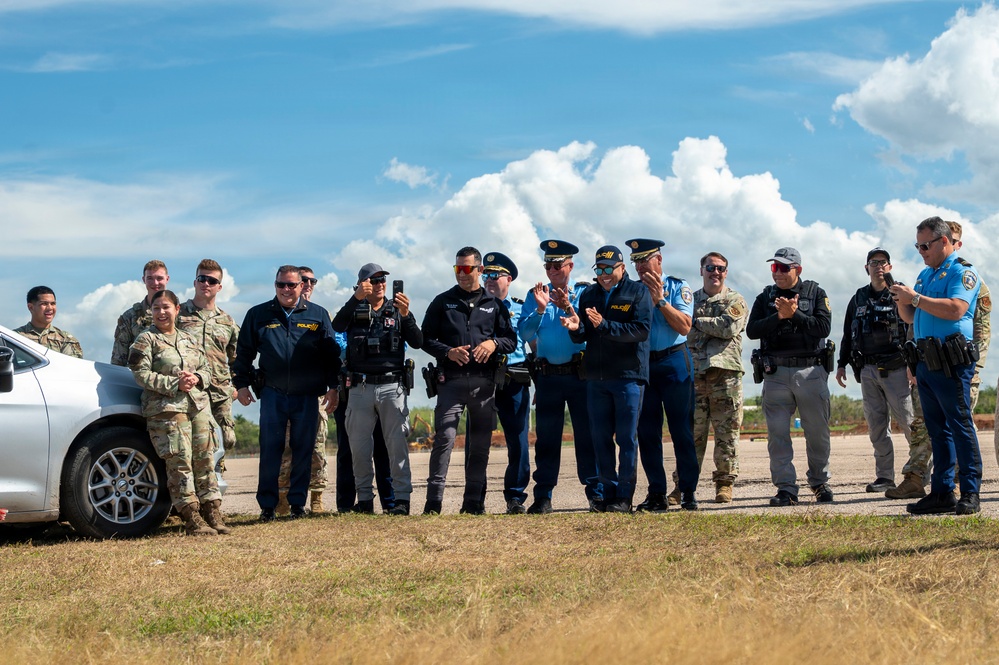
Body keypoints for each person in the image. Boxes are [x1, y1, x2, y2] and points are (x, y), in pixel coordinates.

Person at [232, 265, 341, 521]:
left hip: (306, 395)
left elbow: (331, 356)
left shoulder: (318, 314)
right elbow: (244, 353)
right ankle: (268, 507)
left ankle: (297, 505)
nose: (286, 289)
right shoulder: (258, 314)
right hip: (273, 394)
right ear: (275, 285)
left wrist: (334, 387)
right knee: (271, 449)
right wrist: (241, 384)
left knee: (303, 449)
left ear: (302, 286)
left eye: (292, 284)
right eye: (281, 284)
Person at [891, 216, 983, 515]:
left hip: (951, 362)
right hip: (926, 361)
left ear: (944, 241)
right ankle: (942, 492)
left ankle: (970, 490)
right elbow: (910, 319)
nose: (921, 251)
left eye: (925, 245)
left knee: (960, 426)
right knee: (937, 430)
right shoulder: (925, 275)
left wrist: (915, 298)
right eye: (917, 246)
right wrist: (902, 300)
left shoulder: (963, 272)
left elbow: (957, 308)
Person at [421, 246, 518, 515]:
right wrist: (448, 352)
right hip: (450, 383)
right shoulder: (442, 301)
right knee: (445, 439)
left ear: (479, 270)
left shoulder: (494, 304)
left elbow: (511, 341)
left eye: (466, 269)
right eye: (457, 269)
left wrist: (492, 343)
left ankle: (473, 504)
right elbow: (425, 339)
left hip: (483, 385)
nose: (461, 274)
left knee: (479, 446)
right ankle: (433, 504)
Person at [128, 289, 228, 536]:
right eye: (156, 308)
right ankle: (190, 514)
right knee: (180, 461)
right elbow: (140, 374)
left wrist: (197, 377)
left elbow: (206, 368)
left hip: (197, 406)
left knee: (205, 458)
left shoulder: (189, 339)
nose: (161, 312)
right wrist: (175, 384)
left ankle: (212, 509)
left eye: (166, 307)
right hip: (167, 410)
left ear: (176, 309)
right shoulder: (145, 340)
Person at [835, 248, 932, 496]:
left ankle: (921, 473)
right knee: (877, 427)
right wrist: (841, 364)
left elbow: (913, 328)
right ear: (866, 268)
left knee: (911, 424)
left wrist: (913, 365)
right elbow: (848, 333)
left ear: (890, 267)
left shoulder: (900, 293)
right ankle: (884, 477)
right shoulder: (858, 298)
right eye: (873, 262)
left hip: (897, 368)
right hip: (867, 370)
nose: (878, 266)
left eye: (883, 262)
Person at [562, 245, 652, 513]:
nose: (604, 275)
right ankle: (607, 494)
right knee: (599, 439)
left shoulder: (638, 292)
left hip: (628, 377)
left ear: (622, 267)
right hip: (597, 378)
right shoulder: (589, 294)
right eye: (599, 269)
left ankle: (624, 497)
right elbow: (585, 334)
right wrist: (576, 328)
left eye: (609, 269)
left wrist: (605, 325)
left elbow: (641, 330)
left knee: (626, 439)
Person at [332, 262, 422, 516]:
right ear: (363, 284)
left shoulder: (397, 309)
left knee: (396, 447)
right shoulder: (354, 308)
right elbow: (337, 326)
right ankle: (364, 500)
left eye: (383, 279)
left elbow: (418, 340)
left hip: (391, 387)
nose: (380, 284)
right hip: (359, 388)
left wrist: (407, 315)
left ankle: (401, 501)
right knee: (359, 448)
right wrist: (355, 298)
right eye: (374, 280)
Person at [746, 247, 833, 507]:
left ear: (798, 270)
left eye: (784, 268)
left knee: (817, 433)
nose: (778, 273)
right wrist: (778, 316)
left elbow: (823, 327)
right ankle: (786, 488)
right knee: (777, 434)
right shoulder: (765, 297)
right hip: (775, 374)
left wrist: (795, 314)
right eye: (775, 267)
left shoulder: (816, 293)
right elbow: (752, 330)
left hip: (810, 372)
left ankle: (819, 483)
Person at [519, 240, 602, 513]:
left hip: (580, 376)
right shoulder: (535, 295)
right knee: (547, 439)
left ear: (570, 266)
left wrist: (568, 307)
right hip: (548, 378)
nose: (552, 270)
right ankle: (543, 496)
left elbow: (590, 328)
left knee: (588, 436)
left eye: (557, 265)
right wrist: (541, 309)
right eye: (548, 265)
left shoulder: (585, 292)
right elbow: (525, 334)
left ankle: (596, 492)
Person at [619, 239, 698, 512]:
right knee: (647, 432)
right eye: (636, 262)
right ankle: (657, 494)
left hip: (674, 361)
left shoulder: (678, 286)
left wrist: (661, 301)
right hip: (643, 366)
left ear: (659, 260)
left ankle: (688, 491)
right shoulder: (630, 291)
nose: (640, 267)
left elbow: (685, 327)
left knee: (682, 430)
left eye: (645, 260)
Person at [686, 252, 748, 503]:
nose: (716, 272)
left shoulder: (735, 299)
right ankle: (684, 486)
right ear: (701, 270)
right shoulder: (689, 301)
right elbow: (681, 328)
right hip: (695, 377)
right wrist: (707, 323)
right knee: (691, 435)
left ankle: (724, 484)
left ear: (726, 272)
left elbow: (728, 327)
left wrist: (696, 322)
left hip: (726, 378)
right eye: (710, 267)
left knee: (727, 435)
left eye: (721, 268)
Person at [275, 266, 333, 515]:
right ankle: (283, 500)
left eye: (312, 281)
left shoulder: (320, 315)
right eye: (304, 280)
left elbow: (333, 350)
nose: (308, 284)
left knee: (317, 447)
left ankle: (316, 498)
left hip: (314, 394)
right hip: (285, 394)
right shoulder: (279, 313)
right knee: (285, 449)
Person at [177, 259, 239, 474]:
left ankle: (213, 499)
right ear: (195, 282)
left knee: (223, 442)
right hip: (189, 392)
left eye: (212, 281)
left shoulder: (227, 322)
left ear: (219, 287)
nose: (206, 284)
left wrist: (237, 386)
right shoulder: (178, 315)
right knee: (189, 445)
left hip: (219, 393)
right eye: (202, 279)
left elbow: (236, 359)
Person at [480, 252, 532, 514]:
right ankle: (474, 498)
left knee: (518, 442)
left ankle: (515, 497)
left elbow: (534, 343)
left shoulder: (522, 308)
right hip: (482, 378)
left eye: (495, 275)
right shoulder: (474, 306)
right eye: (485, 274)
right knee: (476, 441)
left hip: (514, 378)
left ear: (508, 279)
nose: (488, 279)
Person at [946, 222, 991, 412]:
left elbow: (982, 329)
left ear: (959, 244)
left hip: (964, 365)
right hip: (933, 364)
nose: (948, 245)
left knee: (963, 425)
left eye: (952, 241)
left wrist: (975, 368)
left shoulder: (972, 280)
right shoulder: (929, 277)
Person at [111, 260, 169, 366]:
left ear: (167, 279)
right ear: (144, 280)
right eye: (150, 278)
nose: (155, 283)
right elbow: (118, 360)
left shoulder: (181, 315)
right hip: (137, 379)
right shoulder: (130, 317)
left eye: (159, 278)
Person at [14, 286, 83, 358]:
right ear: (31, 307)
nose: (50, 308)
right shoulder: (15, 337)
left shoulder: (65, 339)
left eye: (53, 304)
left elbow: (72, 366)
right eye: (44, 304)